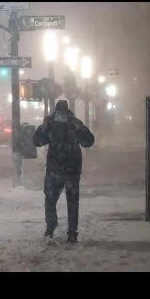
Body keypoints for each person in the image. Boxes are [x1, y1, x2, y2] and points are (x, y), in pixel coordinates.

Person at [33, 100, 95, 243]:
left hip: (54, 169)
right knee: (72, 201)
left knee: (50, 199)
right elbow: (88, 141)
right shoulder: (74, 123)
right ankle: (72, 232)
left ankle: (50, 227)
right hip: (72, 169)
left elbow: (37, 141)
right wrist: (79, 130)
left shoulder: (50, 124)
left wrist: (43, 127)